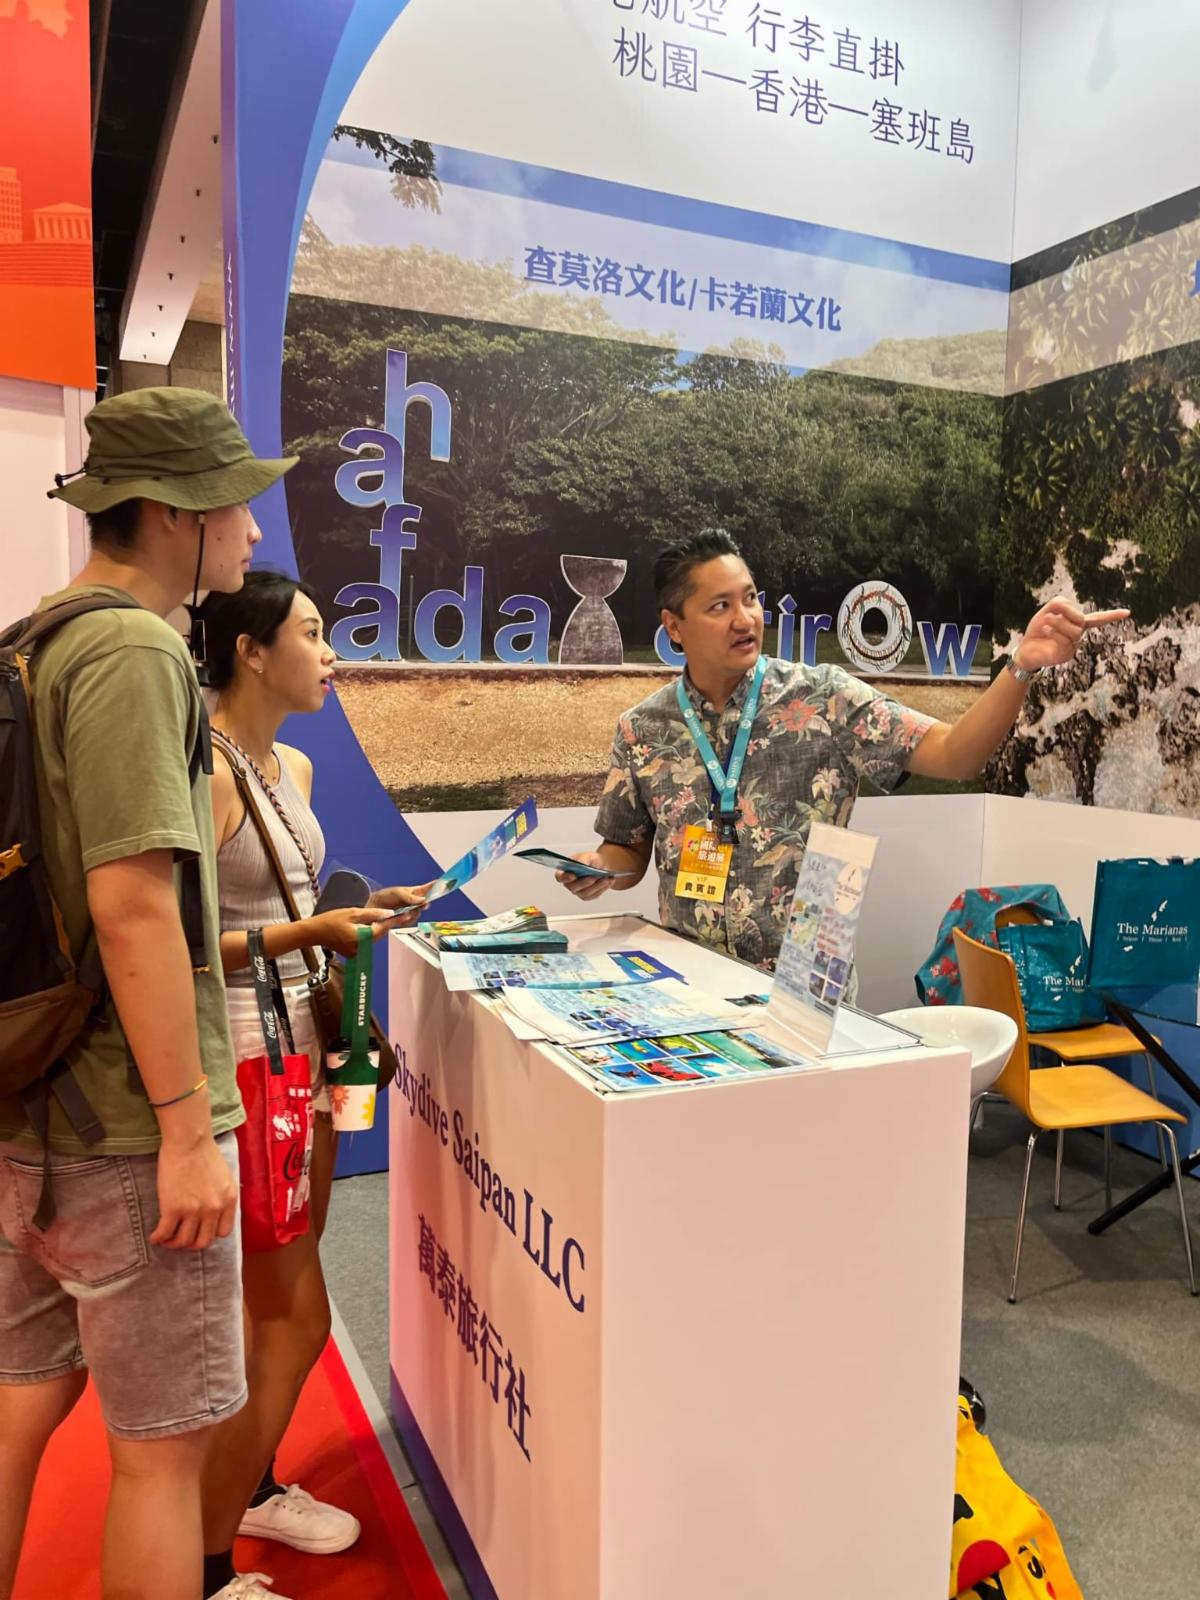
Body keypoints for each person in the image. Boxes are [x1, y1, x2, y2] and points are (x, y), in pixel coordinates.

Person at [0, 387, 294, 1600]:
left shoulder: (34, 634)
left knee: (20, 1410)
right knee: (162, 1458)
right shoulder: (131, 648)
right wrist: (187, 1130)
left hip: (32, 1097)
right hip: (124, 1123)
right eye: (237, 504)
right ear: (175, 512)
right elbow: (133, 905)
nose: (253, 534)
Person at [560, 528, 1128, 971]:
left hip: (804, 991)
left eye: (751, 599)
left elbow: (957, 755)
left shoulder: (823, 697)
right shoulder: (643, 728)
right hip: (689, 979)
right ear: (674, 626)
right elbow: (627, 853)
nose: (745, 619)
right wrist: (596, 868)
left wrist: (1020, 667)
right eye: (719, 607)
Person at [195, 571, 428, 1600]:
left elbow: (290, 896)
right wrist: (313, 934)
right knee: (295, 1314)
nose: (330, 652)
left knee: (281, 1294)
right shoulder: (200, 770)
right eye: (313, 632)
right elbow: (183, 942)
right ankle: (207, 1564)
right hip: (245, 1058)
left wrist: (362, 911)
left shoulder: (289, 761)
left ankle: (248, 1484)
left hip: (305, 1050)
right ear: (251, 651)